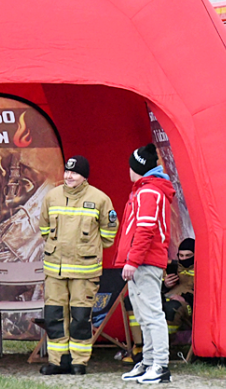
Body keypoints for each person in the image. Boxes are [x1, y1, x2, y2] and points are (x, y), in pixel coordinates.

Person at [38, 155, 118, 376]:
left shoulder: (100, 199)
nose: (69, 176)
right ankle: (57, 361)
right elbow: (44, 228)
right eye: (67, 171)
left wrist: (88, 249)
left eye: (74, 173)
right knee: (54, 316)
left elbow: (109, 232)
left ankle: (79, 362)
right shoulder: (52, 197)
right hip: (55, 269)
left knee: (80, 318)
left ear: (85, 176)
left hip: (84, 270)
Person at [116, 144, 175, 384]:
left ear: (137, 167)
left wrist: (132, 260)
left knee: (151, 314)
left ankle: (160, 365)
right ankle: (149, 362)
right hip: (142, 262)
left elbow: (145, 230)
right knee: (143, 315)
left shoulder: (148, 192)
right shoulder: (146, 190)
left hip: (145, 263)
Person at [162, 238, 195, 336]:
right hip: (168, 299)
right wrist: (165, 285)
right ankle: (140, 345)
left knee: (172, 308)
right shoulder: (172, 267)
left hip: (189, 305)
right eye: (181, 255)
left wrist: (185, 298)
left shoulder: (203, 269)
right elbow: (158, 290)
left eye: (188, 255)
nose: (184, 259)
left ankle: (167, 345)